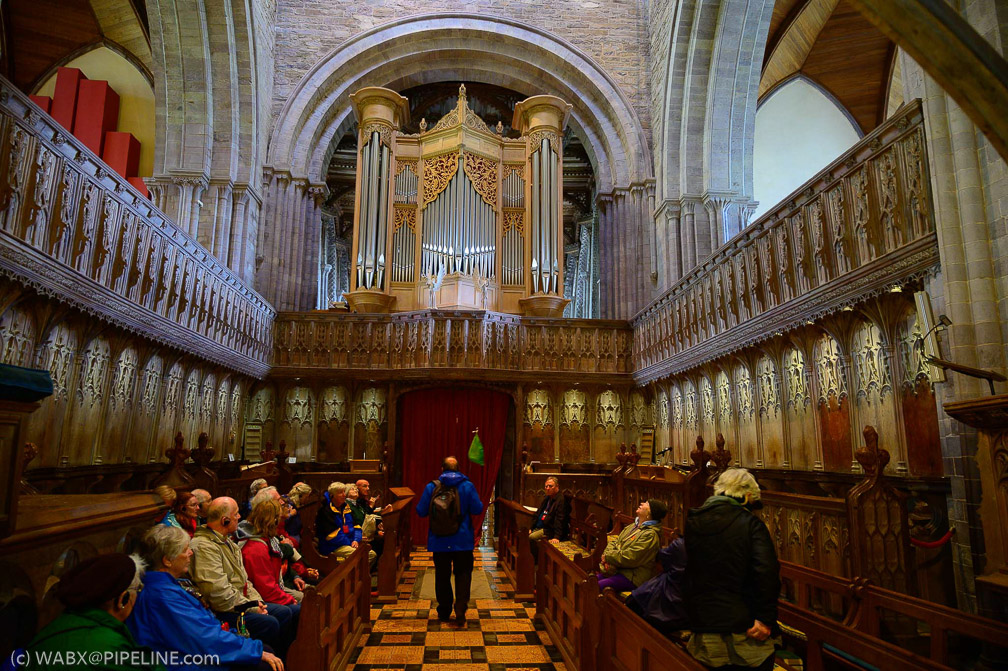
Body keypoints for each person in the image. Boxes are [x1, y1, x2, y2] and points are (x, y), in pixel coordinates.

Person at [130, 524, 284, 671]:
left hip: (196, 652)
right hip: (184, 663)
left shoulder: (168, 586)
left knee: (265, 648)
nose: (191, 552)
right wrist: (253, 651)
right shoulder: (163, 596)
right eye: (184, 550)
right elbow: (203, 638)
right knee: (265, 662)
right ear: (167, 560)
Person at [684, 468, 780, 671]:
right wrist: (765, 618)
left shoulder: (694, 521)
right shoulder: (750, 524)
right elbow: (766, 573)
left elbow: (691, 571)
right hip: (744, 629)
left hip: (704, 624)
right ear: (746, 497)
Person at [189, 498, 294, 658]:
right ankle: (272, 660)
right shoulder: (204, 546)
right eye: (236, 514)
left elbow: (245, 582)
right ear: (225, 520)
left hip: (240, 603)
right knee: (270, 623)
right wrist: (252, 607)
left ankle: (285, 660)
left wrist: (258, 603)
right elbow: (218, 593)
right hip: (224, 610)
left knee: (285, 612)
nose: (240, 517)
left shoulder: (227, 542)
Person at [25, 553, 161, 671]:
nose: (138, 595)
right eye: (138, 589)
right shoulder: (109, 648)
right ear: (122, 600)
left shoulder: (57, 626)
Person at [415, 456, 483, 627]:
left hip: (439, 540)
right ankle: (460, 610)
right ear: (458, 469)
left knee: (442, 576)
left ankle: (444, 611)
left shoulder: (432, 487)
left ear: (442, 469)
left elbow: (421, 511)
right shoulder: (467, 485)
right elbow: (477, 509)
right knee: (463, 574)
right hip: (463, 540)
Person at [240, 499, 305, 613]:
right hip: (261, 596)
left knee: (305, 600)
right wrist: (289, 599)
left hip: (274, 589)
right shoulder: (256, 548)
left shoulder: (268, 539)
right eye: (279, 518)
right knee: (299, 609)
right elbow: (265, 589)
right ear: (273, 521)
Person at [597, 498, 667, 592]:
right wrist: (606, 556)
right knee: (590, 580)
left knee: (596, 586)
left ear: (650, 513)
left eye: (646, 504)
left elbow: (631, 558)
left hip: (633, 576)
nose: (642, 503)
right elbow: (615, 542)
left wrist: (608, 557)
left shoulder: (650, 535)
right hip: (620, 569)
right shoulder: (634, 526)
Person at [625, 536, 688, 638]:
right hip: (694, 609)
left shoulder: (681, 545)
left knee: (634, 603)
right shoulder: (711, 547)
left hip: (671, 604)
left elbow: (662, 558)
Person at [527, 476, 569, 560]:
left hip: (549, 530)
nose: (548, 488)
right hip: (541, 526)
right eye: (546, 486)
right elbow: (538, 513)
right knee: (525, 533)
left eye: (550, 486)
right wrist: (531, 527)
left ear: (557, 487)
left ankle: (536, 562)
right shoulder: (547, 498)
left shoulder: (561, 500)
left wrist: (557, 536)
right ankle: (530, 559)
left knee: (531, 537)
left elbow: (560, 519)